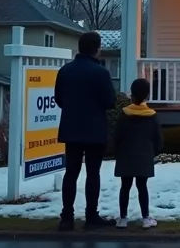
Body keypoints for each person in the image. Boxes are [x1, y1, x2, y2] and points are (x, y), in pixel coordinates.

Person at [54, 30, 117, 231]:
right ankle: (91, 216)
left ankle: (67, 217)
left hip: (71, 128)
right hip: (94, 130)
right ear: (97, 49)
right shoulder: (101, 73)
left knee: (71, 173)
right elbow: (110, 102)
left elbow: (59, 99)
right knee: (93, 173)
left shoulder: (65, 71)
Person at [112, 77, 163, 230]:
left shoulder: (124, 114)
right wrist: (153, 152)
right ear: (147, 95)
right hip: (144, 156)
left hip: (125, 156)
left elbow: (117, 136)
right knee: (142, 187)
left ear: (131, 95)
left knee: (125, 187)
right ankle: (146, 218)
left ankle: (122, 218)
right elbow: (158, 139)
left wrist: (117, 151)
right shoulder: (152, 116)